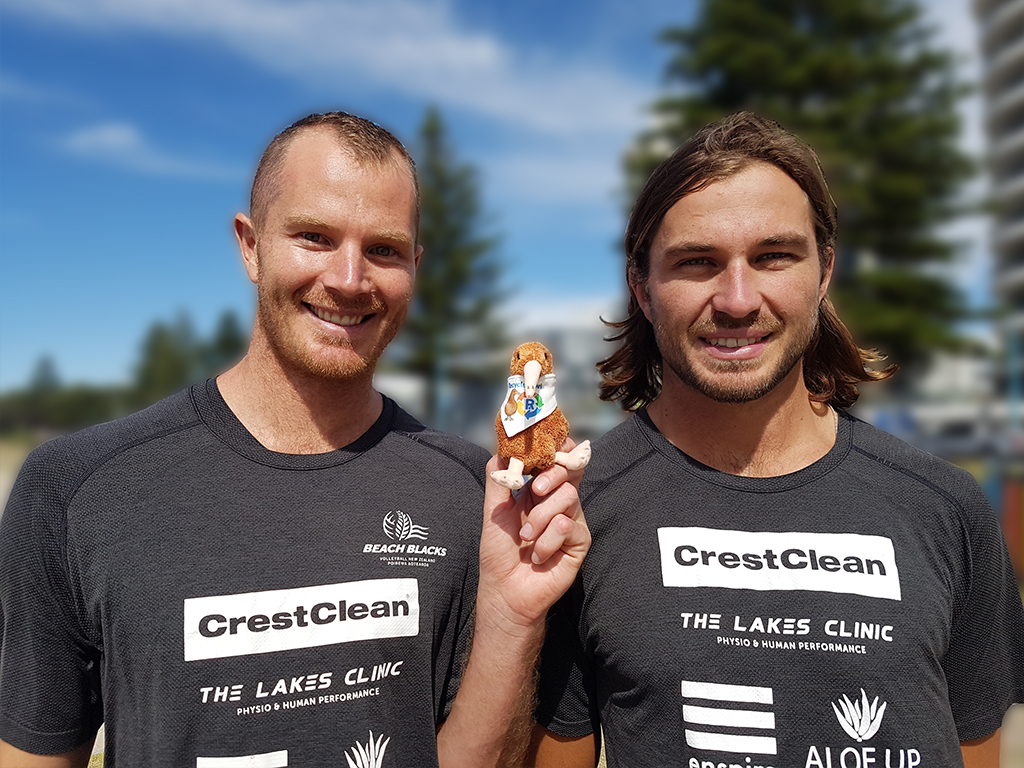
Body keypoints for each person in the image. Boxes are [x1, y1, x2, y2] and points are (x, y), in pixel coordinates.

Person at [0, 112, 589, 767]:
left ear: (414, 269)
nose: (348, 278)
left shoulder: (471, 495)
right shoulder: (76, 489)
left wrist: (511, 617)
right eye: (314, 236)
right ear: (250, 246)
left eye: (384, 249)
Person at [529, 112, 1024, 768]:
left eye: (773, 257)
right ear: (642, 288)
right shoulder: (573, 514)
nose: (737, 299)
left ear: (823, 272)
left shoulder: (947, 508)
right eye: (698, 262)